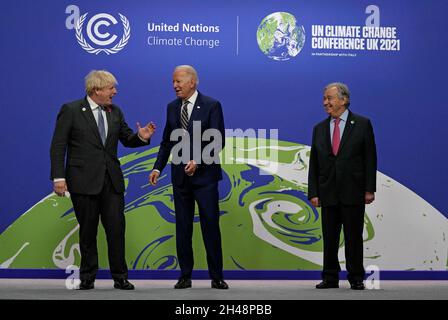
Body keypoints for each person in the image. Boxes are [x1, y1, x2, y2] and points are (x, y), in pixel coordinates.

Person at [50, 70, 156, 290]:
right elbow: (59, 145)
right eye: (111, 88)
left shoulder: (115, 111)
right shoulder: (71, 110)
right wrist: (58, 177)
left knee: (116, 230)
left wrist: (141, 137)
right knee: (88, 231)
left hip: (112, 182)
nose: (115, 92)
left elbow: (127, 138)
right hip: (83, 181)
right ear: (96, 89)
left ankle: (120, 277)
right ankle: (88, 277)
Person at [149, 65, 228, 289]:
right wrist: (157, 168)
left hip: (205, 179)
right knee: (183, 228)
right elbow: (167, 142)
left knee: (210, 227)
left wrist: (199, 161)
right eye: (173, 82)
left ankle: (217, 276)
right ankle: (185, 276)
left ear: (192, 82)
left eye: (178, 82)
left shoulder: (212, 105)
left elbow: (218, 140)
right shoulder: (172, 107)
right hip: (180, 179)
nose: (174, 86)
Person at [308, 82, 377, 290]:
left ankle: (356, 277)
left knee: (353, 237)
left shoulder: (363, 124)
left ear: (344, 99)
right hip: (327, 191)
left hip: (353, 191)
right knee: (329, 238)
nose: (325, 103)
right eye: (324, 99)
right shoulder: (319, 128)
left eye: (329, 98)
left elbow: (370, 158)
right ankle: (330, 277)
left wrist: (369, 188)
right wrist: (313, 192)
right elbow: (314, 164)